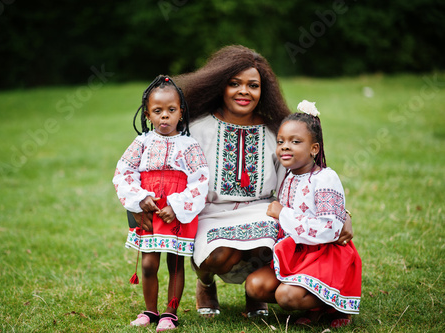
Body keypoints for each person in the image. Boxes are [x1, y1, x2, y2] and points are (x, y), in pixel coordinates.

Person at [129, 45, 353, 318]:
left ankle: (253, 291)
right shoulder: (196, 128)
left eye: (253, 85)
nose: (243, 91)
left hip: (260, 208)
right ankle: (206, 282)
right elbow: (158, 170)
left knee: (266, 238)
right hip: (208, 211)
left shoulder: (275, 131)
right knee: (220, 255)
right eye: (234, 84)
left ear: (263, 91)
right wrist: (137, 207)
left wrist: (343, 214)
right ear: (220, 86)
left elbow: (302, 180)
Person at [245, 100, 362, 328]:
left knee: (286, 297)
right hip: (297, 252)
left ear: (314, 149)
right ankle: (310, 303)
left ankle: (328, 306)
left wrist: (283, 214)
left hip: (324, 254)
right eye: (281, 142)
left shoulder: (325, 178)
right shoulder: (289, 174)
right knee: (254, 285)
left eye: (295, 142)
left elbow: (329, 228)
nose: (285, 147)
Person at [113, 75, 210, 331]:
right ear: (147, 114)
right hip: (150, 210)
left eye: (171, 110)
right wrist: (139, 198)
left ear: (181, 112)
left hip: (176, 213)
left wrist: (177, 206)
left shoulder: (189, 146)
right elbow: (123, 172)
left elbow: (200, 181)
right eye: (158, 111)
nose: (164, 116)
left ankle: (170, 313)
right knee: (148, 263)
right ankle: (149, 310)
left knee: (175, 263)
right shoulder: (141, 142)